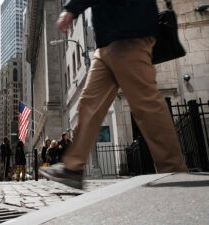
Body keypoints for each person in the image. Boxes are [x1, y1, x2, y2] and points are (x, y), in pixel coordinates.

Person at [40, 0, 188, 189]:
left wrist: (71, 9)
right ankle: (73, 168)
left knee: (146, 105)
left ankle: (173, 168)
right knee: (88, 104)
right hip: (106, 43)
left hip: (129, 31)